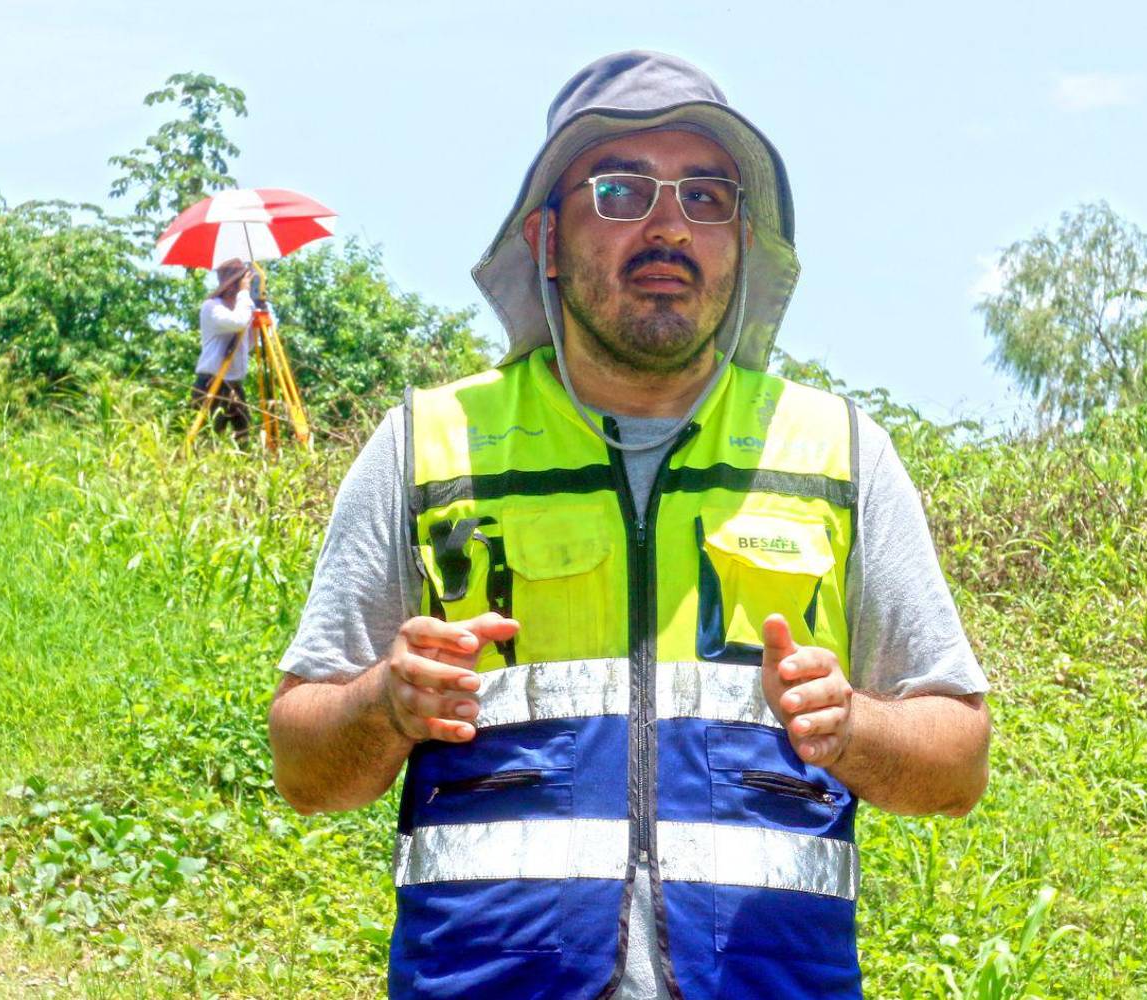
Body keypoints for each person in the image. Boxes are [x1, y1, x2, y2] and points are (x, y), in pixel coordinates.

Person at [269, 51, 991, 999]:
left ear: (742, 241)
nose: (667, 225)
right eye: (619, 190)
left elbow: (960, 761)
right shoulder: (427, 447)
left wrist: (853, 727)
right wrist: (383, 704)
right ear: (547, 241)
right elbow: (303, 765)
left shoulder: (840, 452)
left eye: (706, 194)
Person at [192, 257, 256, 443]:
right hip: (212, 382)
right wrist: (245, 295)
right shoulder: (211, 307)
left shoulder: (241, 308)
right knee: (208, 439)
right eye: (243, 282)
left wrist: (259, 312)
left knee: (243, 438)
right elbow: (238, 323)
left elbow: (247, 344)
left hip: (234, 383)